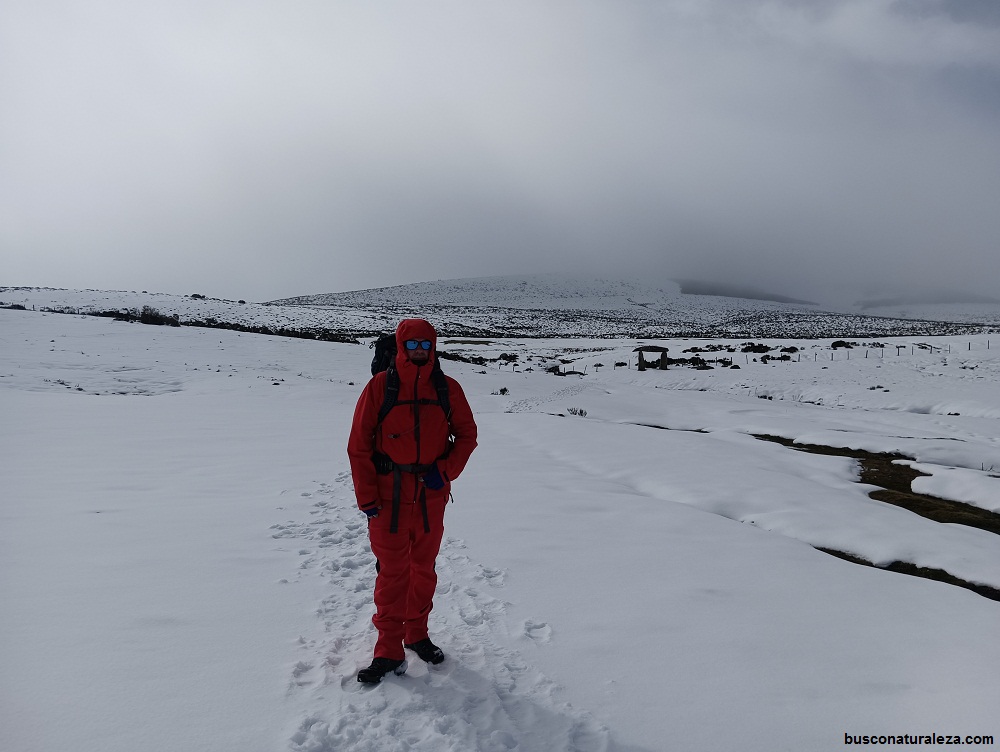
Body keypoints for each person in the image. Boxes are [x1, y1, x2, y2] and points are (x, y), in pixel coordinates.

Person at [347, 318, 478, 684]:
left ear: (433, 347)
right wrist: (367, 496)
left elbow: (467, 434)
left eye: (426, 345)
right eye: (413, 345)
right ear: (401, 347)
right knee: (392, 573)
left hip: (430, 496)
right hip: (388, 498)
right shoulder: (380, 387)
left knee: (424, 569)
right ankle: (388, 650)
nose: (419, 352)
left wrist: (447, 469)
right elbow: (358, 445)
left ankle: (416, 634)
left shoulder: (447, 388)